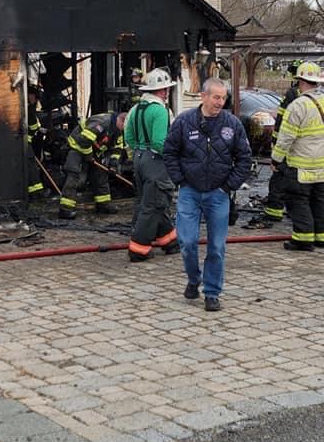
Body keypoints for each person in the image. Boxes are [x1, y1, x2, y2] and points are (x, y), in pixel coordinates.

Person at [163, 78, 252, 312]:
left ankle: (212, 293)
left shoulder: (232, 124)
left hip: (218, 194)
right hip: (189, 192)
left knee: (216, 247)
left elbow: (244, 159)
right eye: (216, 97)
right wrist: (180, 181)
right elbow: (169, 153)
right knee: (187, 242)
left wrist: (228, 186)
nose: (220, 102)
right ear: (203, 96)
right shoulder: (184, 122)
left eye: (223, 98)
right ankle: (194, 279)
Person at [271, 61, 324, 251]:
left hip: (300, 165)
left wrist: (276, 159)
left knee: (298, 199)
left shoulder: (297, 105)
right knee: (319, 199)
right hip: (323, 164)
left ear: (300, 81)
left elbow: (285, 137)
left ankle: (303, 239)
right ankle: (322, 237)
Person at [124, 68, 179, 262]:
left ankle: (170, 241)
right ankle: (138, 249)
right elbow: (159, 142)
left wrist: (139, 152)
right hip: (155, 162)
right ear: (163, 90)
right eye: (166, 89)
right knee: (154, 204)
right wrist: (175, 158)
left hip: (139, 158)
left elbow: (128, 136)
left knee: (151, 200)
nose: (167, 92)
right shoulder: (160, 111)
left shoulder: (135, 109)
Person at [58, 111, 127, 219]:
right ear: (122, 122)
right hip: (77, 148)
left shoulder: (117, 130)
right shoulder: (102, 122)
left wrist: (113, 165)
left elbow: (117, 148)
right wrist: (89, 156)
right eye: (126, 127)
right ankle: (65, 209)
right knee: (74, 178)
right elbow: (84, 140)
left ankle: (103, 205)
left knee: (101, 176)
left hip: (94, 152)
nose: (125, 130)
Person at [259, 59, 301, 227]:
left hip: (288, 144)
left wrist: (276, 144)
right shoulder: (320, 96)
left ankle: (274, 211)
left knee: (279, 177)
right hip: (305, 151)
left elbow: (282, 120)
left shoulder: (292, 93)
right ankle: (294, 210)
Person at [26, 84, 45, 200]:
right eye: (33, 96)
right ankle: (36, 193)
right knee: (31, 167)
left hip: (26, 142)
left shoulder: (27, 108)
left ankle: (35, 192)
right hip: (26, 143)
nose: (34, 100)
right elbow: (33, 127)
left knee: (31, 166)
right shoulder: (29, 109)